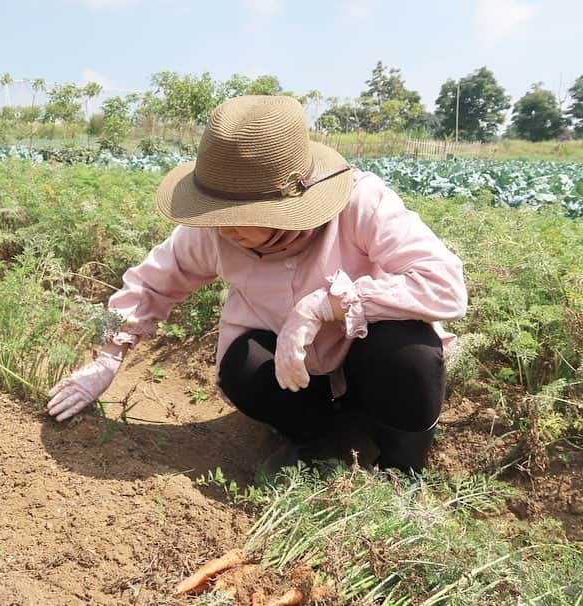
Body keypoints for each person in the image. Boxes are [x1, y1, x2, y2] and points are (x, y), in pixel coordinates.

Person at [46, 95, 467, 475]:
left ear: (283, 207)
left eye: (235, 213)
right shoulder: (212, 230)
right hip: (299, 378)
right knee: (242, 366)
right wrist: (108, 355)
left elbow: (444, 284)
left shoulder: (360, 203)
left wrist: (325, 305)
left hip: (367, 361)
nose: (220, 226)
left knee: (409, 352)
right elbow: (149, 282)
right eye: (214, 211)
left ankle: (401, 467)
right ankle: (316, 441)